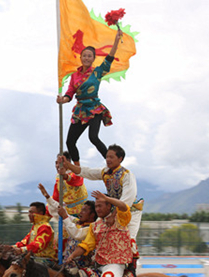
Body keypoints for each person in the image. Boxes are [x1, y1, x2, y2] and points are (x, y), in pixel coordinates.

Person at [65, 191, 133, 277]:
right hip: (98, 264)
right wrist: (71, 257)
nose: (97, 209)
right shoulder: (94, 226)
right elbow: (86, 245)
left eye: (100, 206)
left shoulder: (120, 219)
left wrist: (107, 198)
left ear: (110, 206)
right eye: (96, 206)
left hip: (115, 263)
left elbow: (124, 206)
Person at [56, 29, 124, 165]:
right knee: (70, 141)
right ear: (80, 58)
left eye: (89, 56)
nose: (86, 58)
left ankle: (113, 165)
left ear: (93, 59)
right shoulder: (74, 76)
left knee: (93, 137)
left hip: (94, 108)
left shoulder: (97, 72)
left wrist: (116, 41)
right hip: (80, 110)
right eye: (84, 56)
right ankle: (77, 168)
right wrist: (62, 100)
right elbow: (70, 93)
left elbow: (109, 58)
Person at [59, 144, 143, 240]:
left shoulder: (127, 175)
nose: (108, 159)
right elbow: (87, 172)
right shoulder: (105, 172)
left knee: (129, 240)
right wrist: (68, 165)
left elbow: (126, 200)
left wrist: (113, 216)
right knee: (98, 233)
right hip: (112, 210)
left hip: (130, 212)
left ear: (120, 159)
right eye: (107, 157)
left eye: (111, 157)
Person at [39, 183, 97, 268]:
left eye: (84, 211)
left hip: (82, 267)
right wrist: (48, 198)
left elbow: (76, 234)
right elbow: (61, 210)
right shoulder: (76, 222)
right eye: (81, 210)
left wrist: (65, 216)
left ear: (92, 215)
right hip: (67, 265)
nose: (80, 213)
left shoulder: (92, 228)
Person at [52, 152, 87, 217]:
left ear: (67, 162)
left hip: (82, 212)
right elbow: (56, 196)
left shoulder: (76, 171)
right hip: (68, 214)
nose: (57, 165)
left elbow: (76, 180)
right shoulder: (58, 177)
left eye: (60, 163)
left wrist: (65, 176)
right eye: (56, 163)